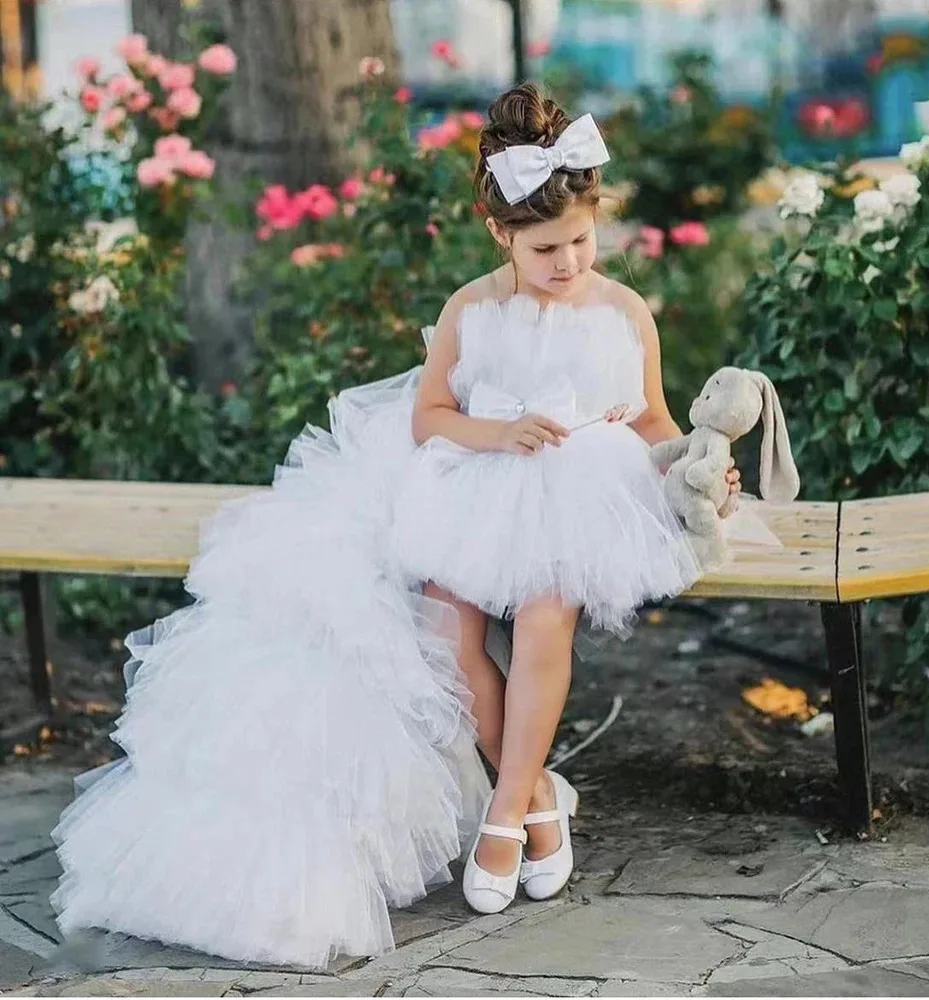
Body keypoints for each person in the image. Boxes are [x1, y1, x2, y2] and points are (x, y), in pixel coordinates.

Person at [49, 82, 740, 971]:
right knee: (448, 632)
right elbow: (430, 416)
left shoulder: (621, 310)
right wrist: (500, 432)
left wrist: (688, 460)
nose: (567, 262)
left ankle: (502, 815)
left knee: (540, 617)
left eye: (579, 240)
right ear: (500, 234)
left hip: (582, 496)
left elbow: (648, 418)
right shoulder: (470, 310)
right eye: (544, 249)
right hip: (480, 481)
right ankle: (534, 797)